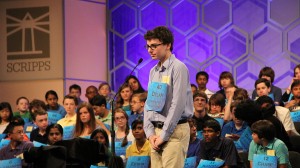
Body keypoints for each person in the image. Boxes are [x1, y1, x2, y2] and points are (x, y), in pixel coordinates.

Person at [143, 26, 192, 168]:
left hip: (174, 131)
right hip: (156, 133)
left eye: (154, 46)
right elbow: (149, 103)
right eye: (148, 46)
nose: (150, 50)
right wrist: (150, 133)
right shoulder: (153, 71)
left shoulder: (178, 68)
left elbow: (178, 104)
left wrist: (164, 135)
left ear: (168, 45)